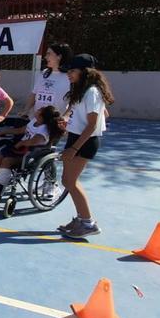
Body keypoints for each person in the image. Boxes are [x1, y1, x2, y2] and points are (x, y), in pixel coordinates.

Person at [57, 54, 114, 239]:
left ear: (85, 71)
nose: (69, 74)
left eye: (72, 71)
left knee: (70, 181)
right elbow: (104, 113)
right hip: (76, 137)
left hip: (85, 142)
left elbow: (92, 125)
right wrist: (66, 119)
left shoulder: (92, 92)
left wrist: (73, 149)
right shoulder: (81, 90)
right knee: (67, 180)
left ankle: (88, 223)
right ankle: (82, 219)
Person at [0, 105, 64, 201]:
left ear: (42, 116)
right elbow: (20, 130)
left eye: (40, 110)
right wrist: (1, 132)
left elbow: (34, 141)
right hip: (21, 150)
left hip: (30, 155)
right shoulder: (34, 121)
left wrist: (21, 143)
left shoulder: (43, 129)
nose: (37, 110)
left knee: (6, 160)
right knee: (0, 156)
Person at [25, 43, 72, 116]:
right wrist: (25, 110)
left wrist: (65, 117)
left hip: (54, 123)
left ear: (59, 56)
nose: (45, 57)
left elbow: (74, 103)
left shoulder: (70, 77)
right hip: (37, 121)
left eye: (49, 54)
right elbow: (34, 94)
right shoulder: (44, 73)